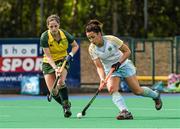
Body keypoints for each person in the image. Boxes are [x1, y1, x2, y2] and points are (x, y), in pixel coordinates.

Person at [85, 19, 162, 120]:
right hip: (110, 69)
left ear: (99, 34)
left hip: (124, 65)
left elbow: (127, 51)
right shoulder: (92, 49)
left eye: (93, 37)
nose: (91, 40)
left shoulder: (111, 40)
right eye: (89, 38)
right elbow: (99, 66)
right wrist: (102, 79)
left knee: (137, 91)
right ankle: (125, 111)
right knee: (112, 89)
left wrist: (118, 63)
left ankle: (156, 95)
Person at [40, 14, 79, 118]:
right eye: (51, 26)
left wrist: (70, 55)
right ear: (48, 26)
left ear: (59, 25)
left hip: (63, 60)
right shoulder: (44, 37)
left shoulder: (65, 34)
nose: (53, 29)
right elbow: (48, 56)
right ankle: (66, 104)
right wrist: (55, 68)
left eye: (55, 26)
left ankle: (66, 107)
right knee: (53, 91)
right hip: (48, 63)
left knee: (61, 82)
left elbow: (75, 46)